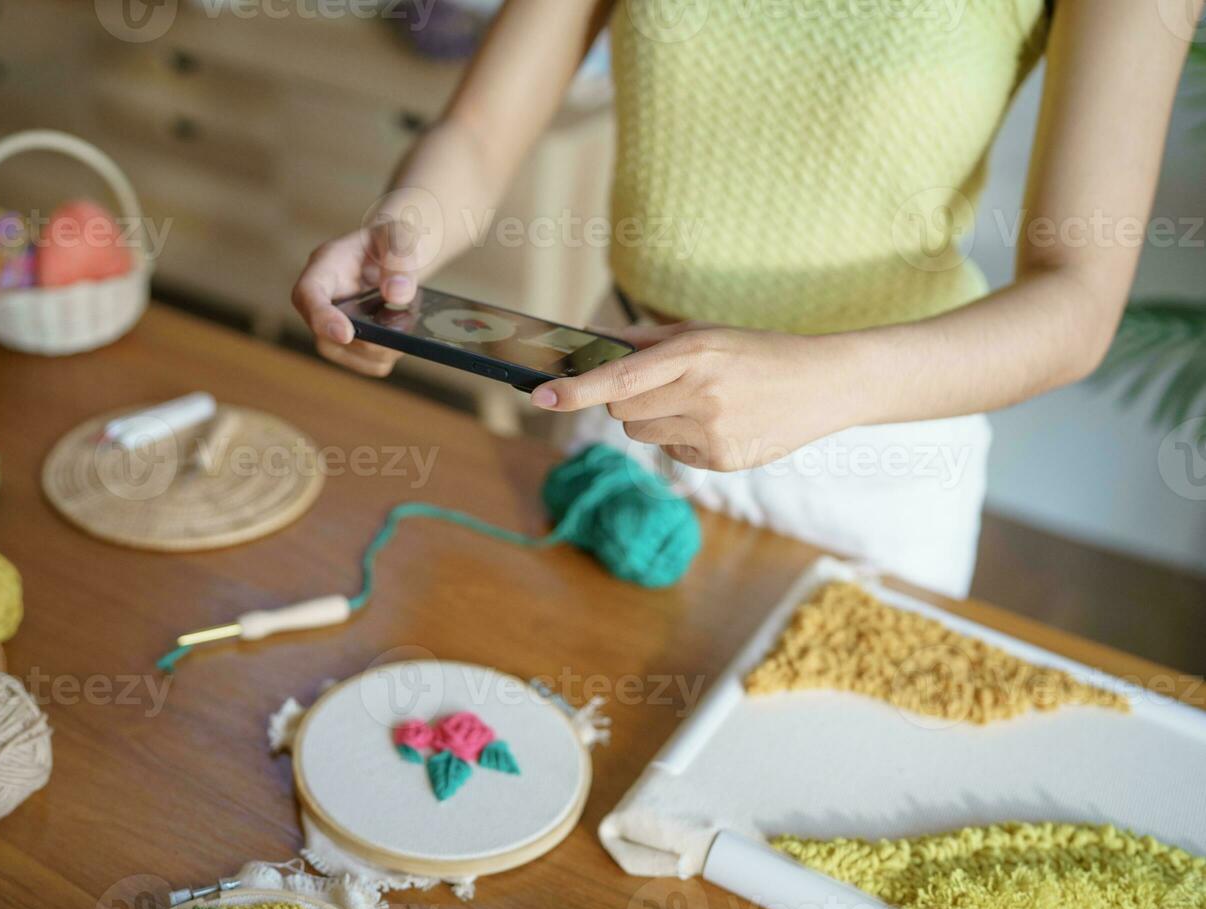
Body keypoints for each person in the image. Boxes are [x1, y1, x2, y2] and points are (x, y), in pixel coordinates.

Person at [291, 0, 1201, 597]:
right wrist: (404, 229)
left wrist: (820, 385)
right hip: (626, 401)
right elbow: (481, 128)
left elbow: (1078, 298)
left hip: (877, 450)